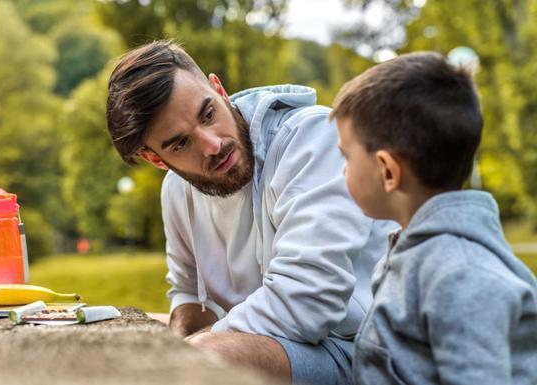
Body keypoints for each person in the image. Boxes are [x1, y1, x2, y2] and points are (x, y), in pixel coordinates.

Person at [106, 41, 394, 385]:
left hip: (367, 354)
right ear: (156, 159)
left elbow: (308, 302)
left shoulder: (311, 140)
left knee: (203, 360)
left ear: (219, 90)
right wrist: (186, 334)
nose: (212, 145)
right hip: (283, 347)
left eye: (208, 114)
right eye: (181, 144)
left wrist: (196, 348)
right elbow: (186, 292)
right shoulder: (176, 191)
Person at [331, 51, 537, 385]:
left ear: (387, 170)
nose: (342, 170)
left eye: (346, 156)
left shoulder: (461, 275)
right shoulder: (417, 252)